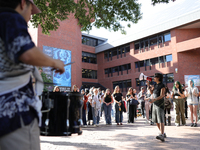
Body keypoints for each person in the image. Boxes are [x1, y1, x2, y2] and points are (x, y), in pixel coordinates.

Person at [0, 0, 65, 149]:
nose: (30, 17)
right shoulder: (11, 17)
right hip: (15, 116)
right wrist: (55, 62)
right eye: (31, 11)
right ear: (23, 3)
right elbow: (27, 53)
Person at [149, 73, 166, 142]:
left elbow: (162, 95)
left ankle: (161, 134)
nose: (153, 78)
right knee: (156, 120)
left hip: (160, 104)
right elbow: (151, 93)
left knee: (160, 119)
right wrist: (149, 86)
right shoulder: (155, 85)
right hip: (155, 104)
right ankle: (162, 133)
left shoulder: (162, 85)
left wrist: (154, 99)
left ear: (158, 78)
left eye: (155, 77)